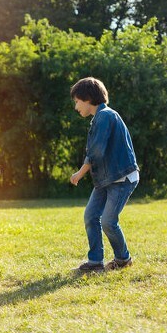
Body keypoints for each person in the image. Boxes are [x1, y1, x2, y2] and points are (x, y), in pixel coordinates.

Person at [69, 77, 139, 272]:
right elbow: (95, 150)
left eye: (77, 101)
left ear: (88, 98)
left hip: (121, 177)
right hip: (106, 179)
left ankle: (123, 259)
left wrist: (80, 173)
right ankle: (95, 262)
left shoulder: (106, 116)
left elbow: (96, 151)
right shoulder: (99, 118)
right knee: (91, 216)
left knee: (108, 221)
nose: (76, 107)